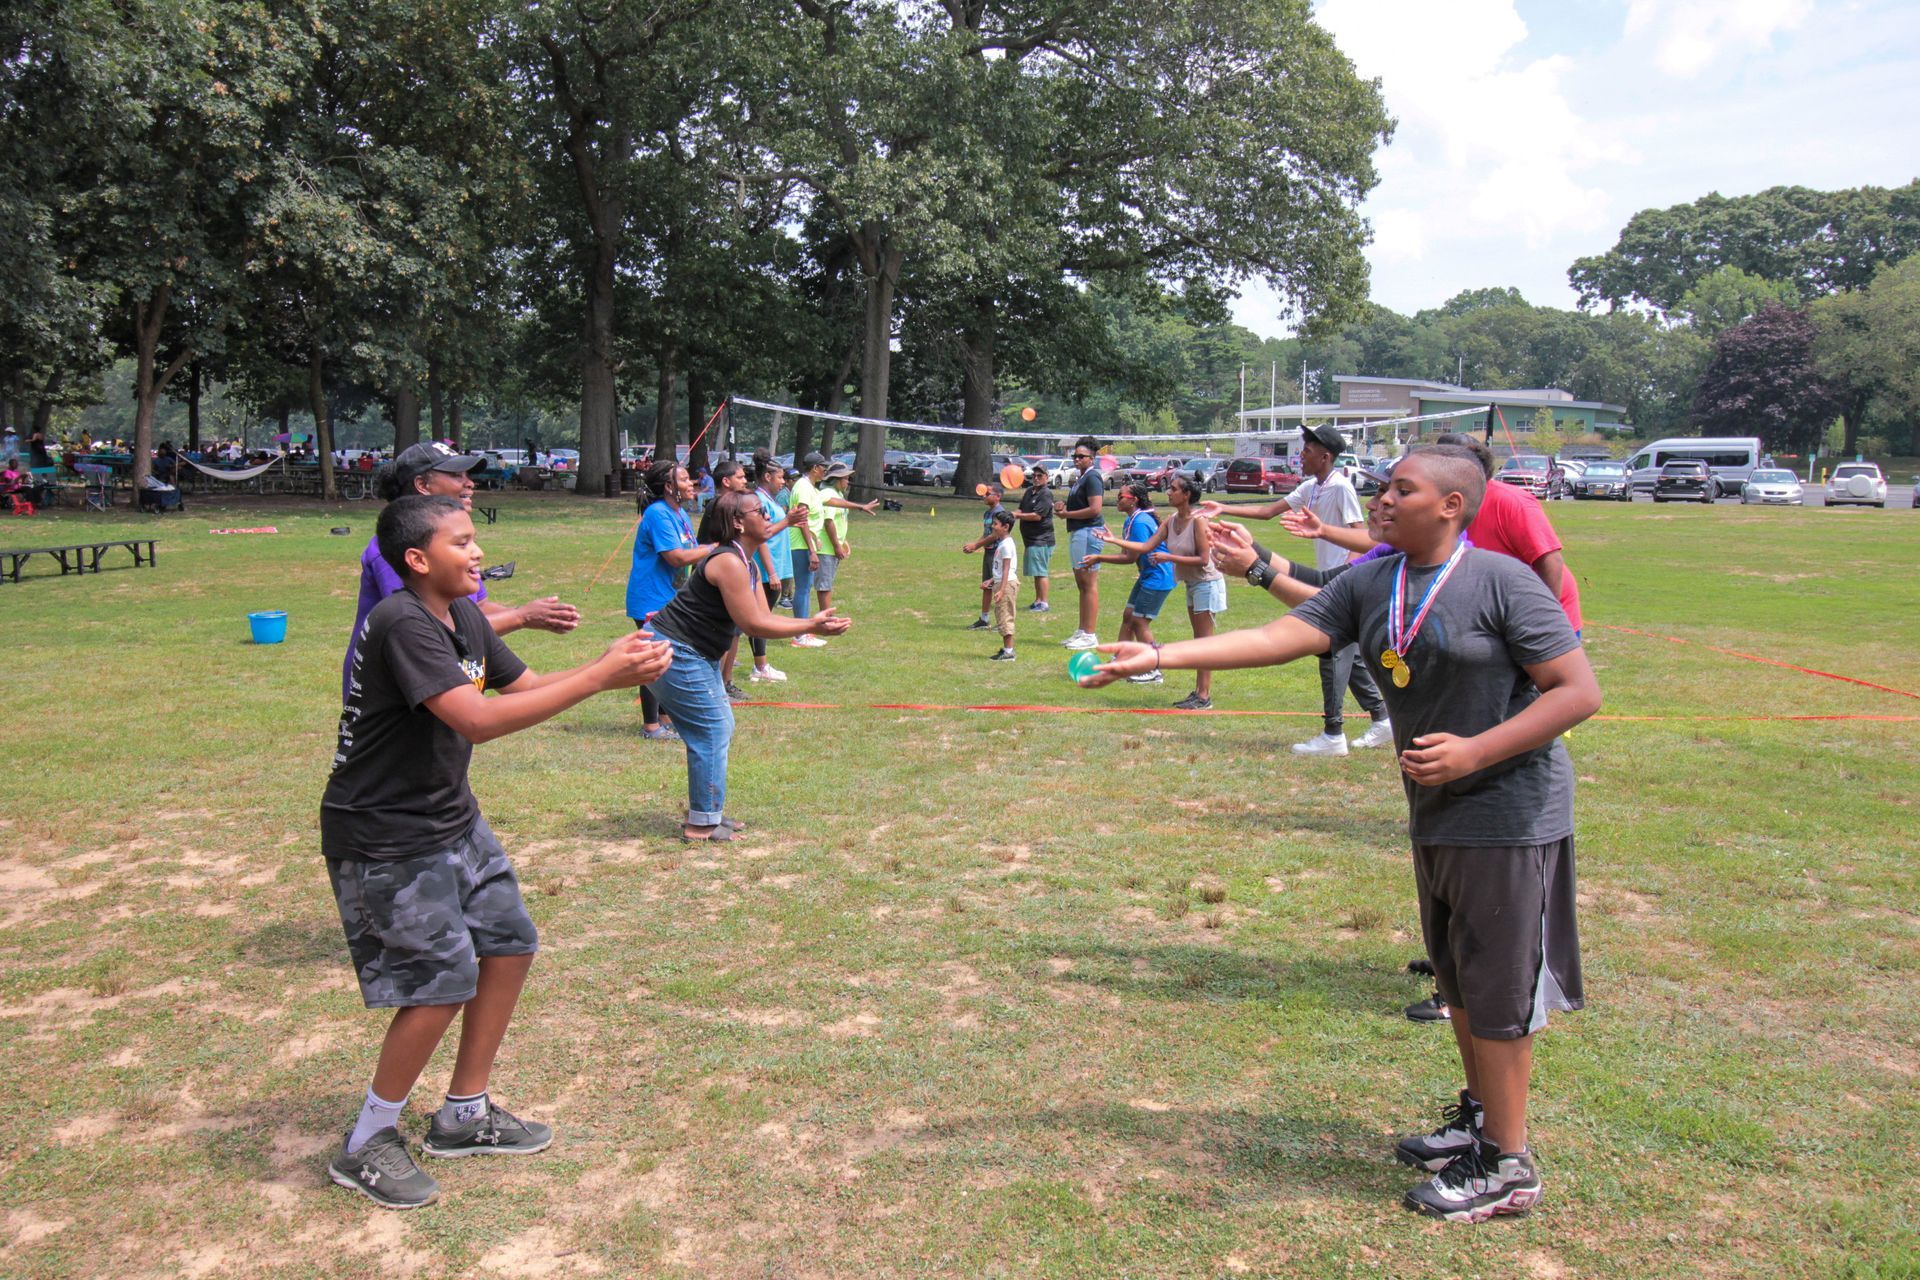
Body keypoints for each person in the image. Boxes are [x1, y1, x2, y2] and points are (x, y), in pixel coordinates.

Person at [1086, 447, 1600, 1224]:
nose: (1381, 501)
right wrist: (1160, 654)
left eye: (1401, 489)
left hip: (1509, 811)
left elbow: (1578, 691)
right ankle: (1481, 1119)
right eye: (1383, 487)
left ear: (1452, 506)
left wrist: (1475, 750)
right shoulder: (1378, 579)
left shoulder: (1502, 581)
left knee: (1496, 988)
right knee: (1458, 981)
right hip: (1438, 812)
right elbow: (1281, 635)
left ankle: (1508, 1164)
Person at [322, 494, 673, 1210]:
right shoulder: (403, 623)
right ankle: (368, 1139)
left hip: (450, 818)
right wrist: (599, 677)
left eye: (476, 538)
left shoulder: (467, 618)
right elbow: (475, 720)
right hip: (384, 831)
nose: (477, 552)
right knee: (440, 981)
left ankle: (463, 1113)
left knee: (509, 944)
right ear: (418, 560)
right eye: (461, 541)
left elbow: (527, 687)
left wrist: (607, 664)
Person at [646, 490, 852, 841]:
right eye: (760, 511)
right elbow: (753, 625)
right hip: (674, 650)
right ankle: (701, 824)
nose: (769, 515)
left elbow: (762, 617)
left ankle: (708, 812)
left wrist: (809, 624)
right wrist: (810, 626)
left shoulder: (746, 561)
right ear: (738, 522)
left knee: (718, 726)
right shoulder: (727, 561)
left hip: (693, 651)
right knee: (711, 729)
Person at [1203, 425, 1390, 755]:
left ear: (1325, 457)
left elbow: (1361, 535)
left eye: (1306, 451)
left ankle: (1334, 733)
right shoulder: (1310, 487)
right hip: (1329, 578)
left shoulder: (1341, 487)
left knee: (1330, 649)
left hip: (1345, 578)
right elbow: (1267, 511)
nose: (1300, 456)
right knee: (1350, 653)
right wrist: (1224, 508)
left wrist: (1347, 580)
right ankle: (1382, 717)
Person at [343, 443, 579, 704]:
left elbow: (478, 607)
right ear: (422, 485)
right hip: (394, 700)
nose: (469, 484)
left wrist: (531, 614)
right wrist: (520, 617)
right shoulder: (394, 552)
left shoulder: (450, 557)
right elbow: (425, 630)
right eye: (456, 476)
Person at [1101, 473, 1221, 708]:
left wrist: (1168, 556)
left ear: (1186, 495)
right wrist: (1114, 541)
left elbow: (1204, 559)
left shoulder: (1198, 520)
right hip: (1191, 583)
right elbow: (1146, 546)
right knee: (1198, 641)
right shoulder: (1172, 519)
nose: (1168, 491)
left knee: (1203, 642)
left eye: (1174, 489)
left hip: (1207, 582)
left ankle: (1204, 696)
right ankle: (1198, 693)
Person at [627, 459, 705, 739]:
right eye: (684, 480)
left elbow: (691, 552)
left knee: (669, 658)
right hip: (651, 598)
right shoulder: (658, 514)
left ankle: (665, 719)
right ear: (670, 487)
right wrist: (717, 548)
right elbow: (676, 556)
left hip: (671, 597)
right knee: (653, 659)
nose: (691, 483)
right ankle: (651, 726)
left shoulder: (680, 513)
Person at [1086, 484, 1174, 684]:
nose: (1117, 499)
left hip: (1158, 576)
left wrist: (1101, 556)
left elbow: (1132, 555)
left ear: (1133, 500)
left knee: (1139, 622)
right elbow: (1129, 556)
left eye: (1121, 496)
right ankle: (1122, 659)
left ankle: (1154, 669)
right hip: (1148, 575)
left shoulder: (1140, 522)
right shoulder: (1132, 519)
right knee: (1129, 616)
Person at [788, 452, 877, 646]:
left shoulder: (811, 488)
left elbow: (831, 502)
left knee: (805, 588)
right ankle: (800, 635)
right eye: (823, 467)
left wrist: (860, 507)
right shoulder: (803, 487)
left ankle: (804, 633)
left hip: (806, 544)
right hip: (801, 544)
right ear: (814, 468)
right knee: (803, 589)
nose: (825, 471)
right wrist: (812, 550)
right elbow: (802, 520)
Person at [1058, 437, 1107, 650]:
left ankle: (1090, 634)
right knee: (1082, 584)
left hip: (1088, 532)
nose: (1077, 459)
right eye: (1075, 456)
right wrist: (1063, 507)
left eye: (1081, 456)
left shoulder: (1093, 477)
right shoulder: (1081, 478)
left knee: (1089, 584)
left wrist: (1068, 513)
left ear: (1092, 458)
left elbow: (1095, 509)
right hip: (1079, 532)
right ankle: (1082, 630)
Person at [960, 482, 1009, 630]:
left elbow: (995, 535)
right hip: (988, 552)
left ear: (998, 496)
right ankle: (984, 619)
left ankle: (1002, 621)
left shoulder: (1000, 513)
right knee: (987, 586)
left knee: (999, 586)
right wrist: (977, 544)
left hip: (997, 553)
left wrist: (976, 546)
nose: (984, 496)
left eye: (988, 494)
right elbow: (987, 533)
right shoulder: (987, 513)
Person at [1014, 462, 1056, 612]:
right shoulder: (1029, 491)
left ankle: (1044, 603)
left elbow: (1037, 516)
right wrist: (1012, 514)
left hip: (1041, 539)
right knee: (1036, 573)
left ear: (1046, 477)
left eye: (1040, 476)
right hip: (1031, 540)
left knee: (1041, 572)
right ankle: (1038, 600)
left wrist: (1017, 515)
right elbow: (1021, 508)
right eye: (1034, 475)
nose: (1036, 478)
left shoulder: (1045, 494)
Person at [985, 509, 1019, 661]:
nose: (993, 527)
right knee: (1001, 615)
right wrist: (992, 580)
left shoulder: (1006, 545)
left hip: (1006, 584)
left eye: (996, 524)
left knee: (1005, 617)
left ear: (1005, 527)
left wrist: (1002, 589)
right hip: (1001, 583)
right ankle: (1006, 649)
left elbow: (1006, 569)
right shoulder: (1003, 543)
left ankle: (1009, 652)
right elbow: (1000, 569)